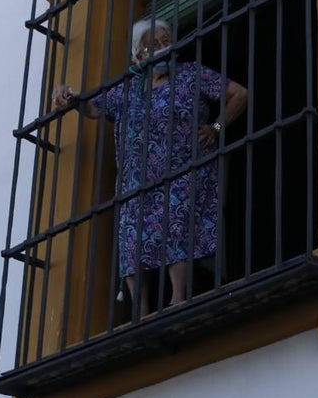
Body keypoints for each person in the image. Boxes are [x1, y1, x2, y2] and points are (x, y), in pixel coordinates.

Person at [51, 19, 247, 315]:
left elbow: (239, 94)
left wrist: (217, 127)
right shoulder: (129, 90)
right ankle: (139, 312)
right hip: (138, 179)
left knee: (176, 220)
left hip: (182, 169)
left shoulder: (190, 75)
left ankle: (178, 297)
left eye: (166, 41)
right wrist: (67, 94)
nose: (161, 49)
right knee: (133, 232)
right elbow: (91, 107)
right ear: (137, 58)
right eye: (151, 45)